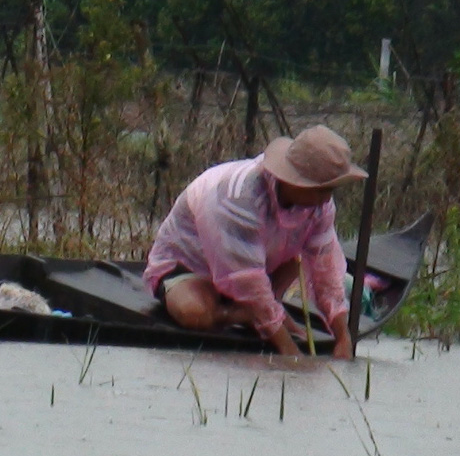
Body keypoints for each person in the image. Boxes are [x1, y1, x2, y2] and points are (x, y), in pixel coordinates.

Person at [144, 125, 366, 359]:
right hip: (192, 265)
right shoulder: (240, 196)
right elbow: (247, 279)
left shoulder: (320, 206)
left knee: (299, 258)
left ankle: (265, 309)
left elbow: (326, 270)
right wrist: (289, 351)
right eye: (321, 190)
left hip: (259, 264)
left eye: (331, 189)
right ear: (294, 181)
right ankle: (243, 314)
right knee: (195, 314)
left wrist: (343, 337)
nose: (327, 198)